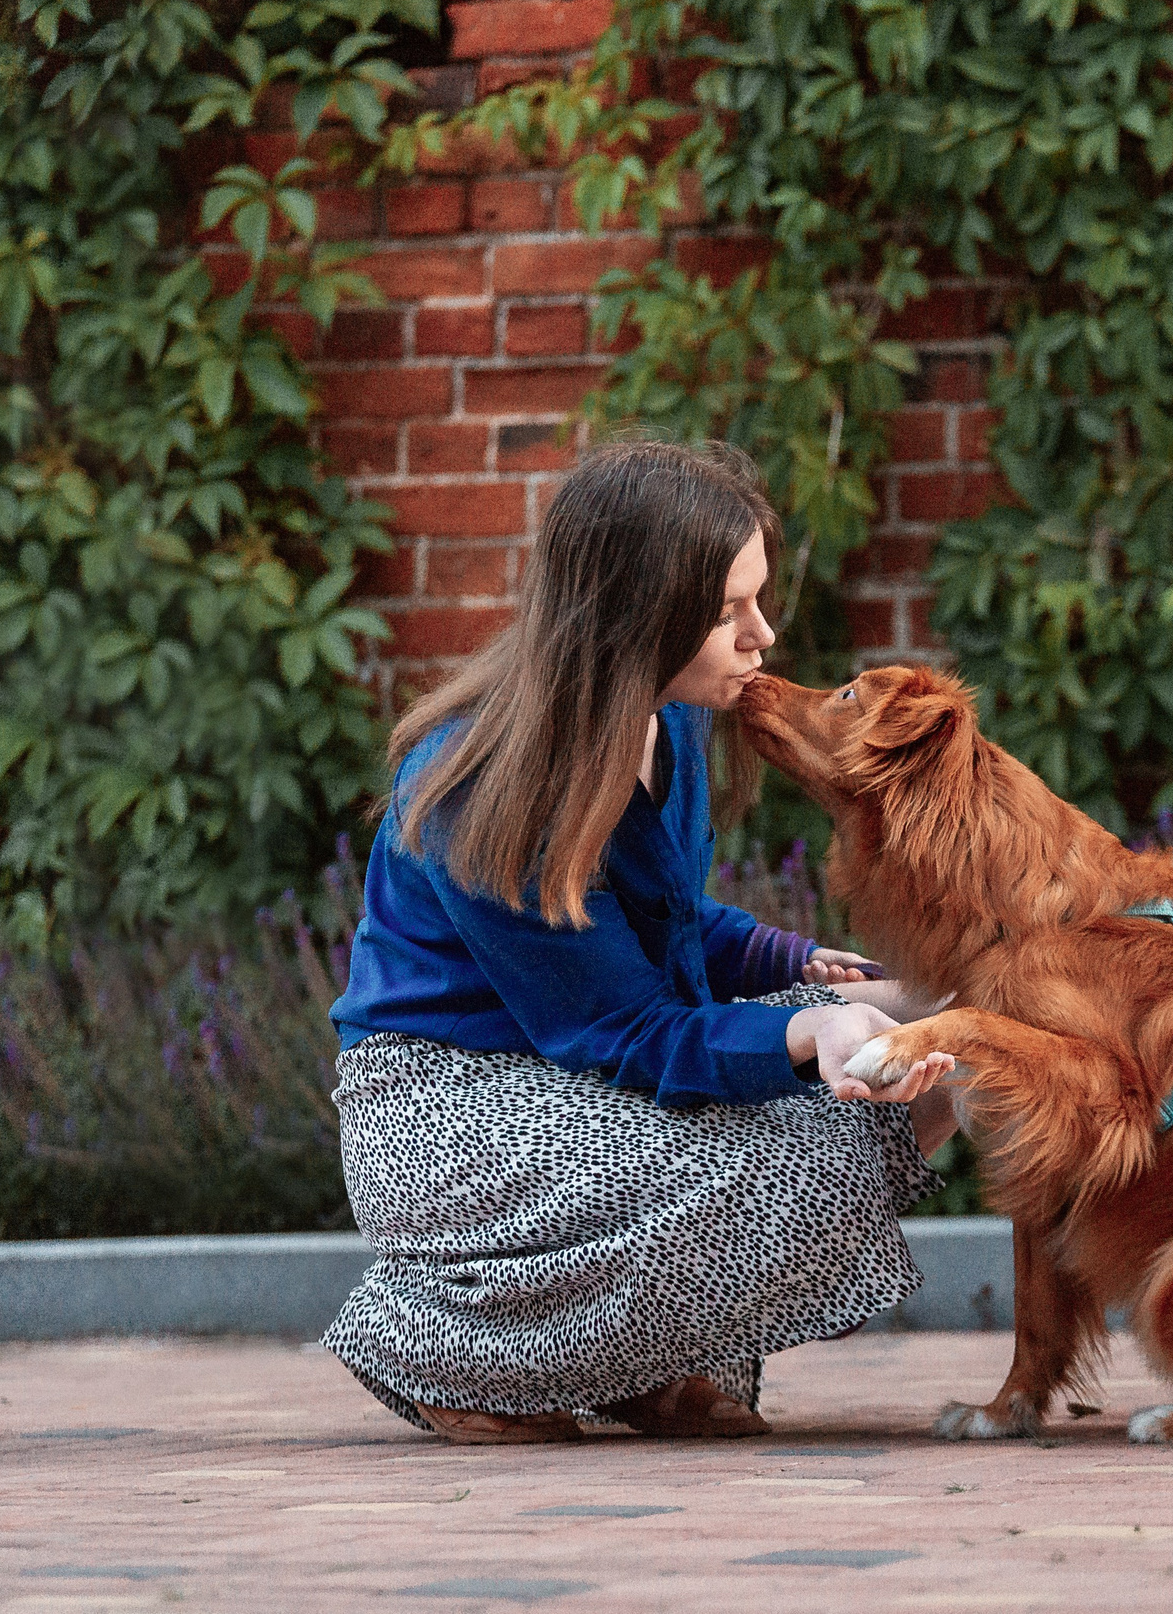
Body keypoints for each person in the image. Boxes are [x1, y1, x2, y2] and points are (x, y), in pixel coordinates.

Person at [324, 438, 957, 1445]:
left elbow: (654, 919)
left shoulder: (675, 719)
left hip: (575, 1066)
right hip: (448, 1112)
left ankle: (634, 1368)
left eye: (756, 599)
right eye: (726, 610)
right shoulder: (491, 784)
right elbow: (621, 1027)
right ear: (636, 615)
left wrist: (793, 963)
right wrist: (805, 1035)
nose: (761, 634)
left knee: (942, 1040)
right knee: (811, 1147)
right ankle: (450, 1351)